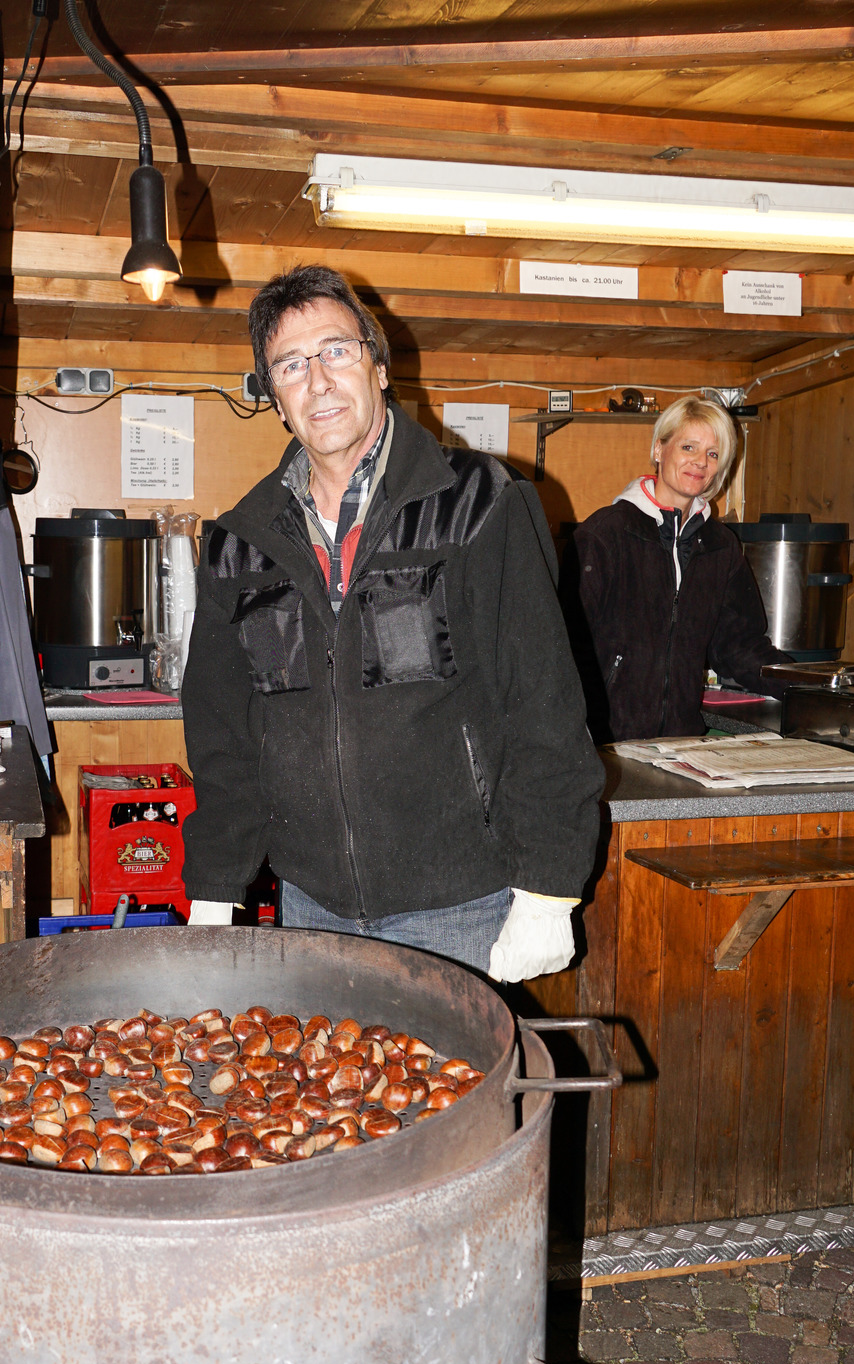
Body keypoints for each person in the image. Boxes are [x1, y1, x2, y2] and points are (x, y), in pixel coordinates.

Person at [181, 264, 603, 978]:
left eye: (336, 351)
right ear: (274, 401)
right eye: (289, 364)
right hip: (308, 908)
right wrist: (214, 891)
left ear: (378, 367)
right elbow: (225, 738)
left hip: (461, 904)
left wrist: (550, 887)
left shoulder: (481, 503)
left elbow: (543, 703)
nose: (317, 379)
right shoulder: (237, 543)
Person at [562, 393, 782, 743]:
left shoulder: (721, 546)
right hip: (604, 744)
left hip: (681, 744)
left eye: (713, 454)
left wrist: (811, 685)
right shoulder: (606, 534)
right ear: (659, 450)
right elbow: (564, 646)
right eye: (688, 448)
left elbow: (738, 646)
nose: (700, 463)